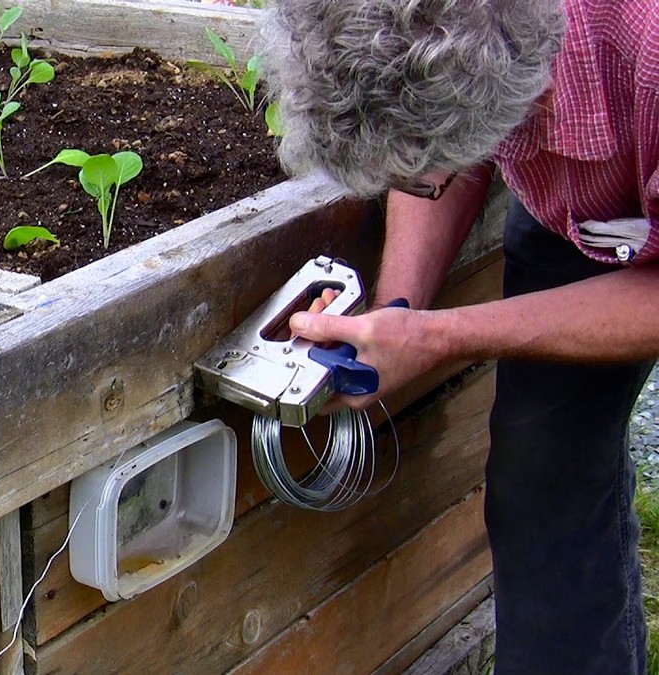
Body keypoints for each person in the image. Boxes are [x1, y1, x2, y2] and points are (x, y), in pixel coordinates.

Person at [256, 0, 659, 672]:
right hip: (574, 193)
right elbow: (440, 152)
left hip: (633, 119)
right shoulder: (488, 40)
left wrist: (439, 336)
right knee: (540, 473)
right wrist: (396, 309)